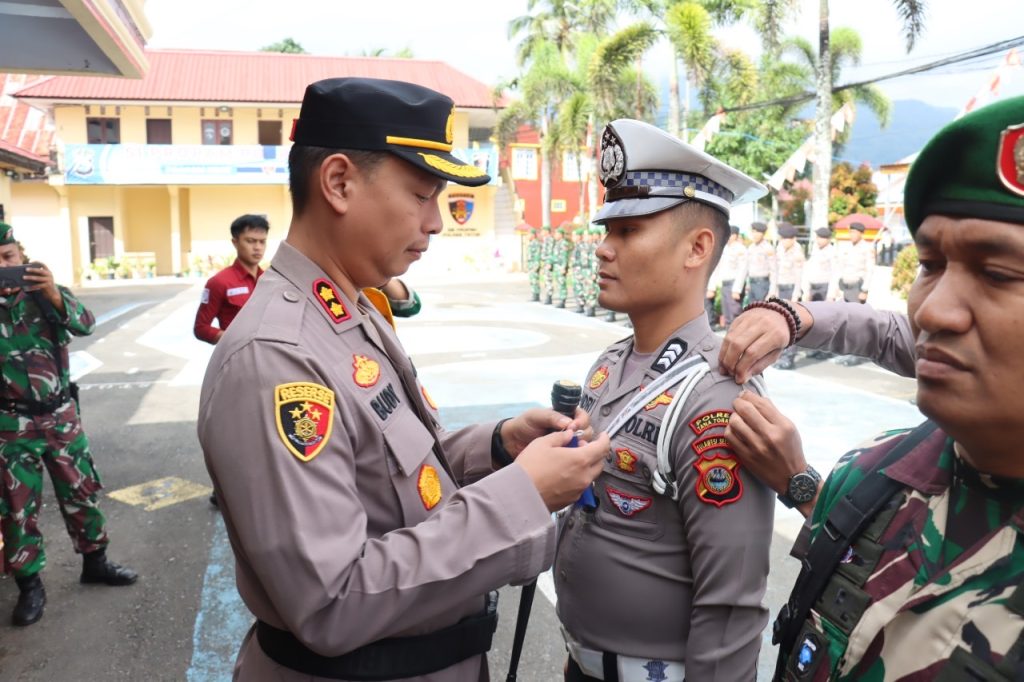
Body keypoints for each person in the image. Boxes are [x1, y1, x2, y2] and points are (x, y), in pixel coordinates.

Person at [196, 77, 611, 681]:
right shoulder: (276, 357)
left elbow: (389, 474)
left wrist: (496, 447)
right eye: (422, 194)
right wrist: (523, 495)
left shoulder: (350, 310)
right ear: (338, 183)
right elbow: (332, 599)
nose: (436, 221)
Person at [719, 95, 1024, 680]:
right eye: (930, 264)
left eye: (996, 273)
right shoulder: (873, 475)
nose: (934, 310)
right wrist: (793, 317)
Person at [554, 118, 775, 682]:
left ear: (697, 248)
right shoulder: (608, 365)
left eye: (628, 232)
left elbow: (730, 605)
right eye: (606, 230)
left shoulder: (716, 394)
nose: (603, 249)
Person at [0, 222, 137, 627]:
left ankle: (96, 562)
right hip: (10, 423)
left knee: (81, 491)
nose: (3, 268)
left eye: (8, 258)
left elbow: (86, 324)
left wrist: (54, 294)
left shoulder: (45, 297)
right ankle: (29, 586)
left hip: (60, 416)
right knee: (16, 506)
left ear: (22, 257)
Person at [193, 213, 269, 345]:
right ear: (235, 242)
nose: (258, 247)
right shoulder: (219, 282)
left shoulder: (269, 280)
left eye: (262, 242)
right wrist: (236, 343)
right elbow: (201, 328)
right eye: (250, 241)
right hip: (238, 360)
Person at [773, 222, 805, 370]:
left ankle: (789, 358)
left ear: (792, 239)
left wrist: (796, 296)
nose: (783, 241)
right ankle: (782, 354)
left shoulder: (797, 252)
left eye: (785, 239)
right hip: (781, 289)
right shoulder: (779, 249)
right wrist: (773, 290)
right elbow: (776, 271)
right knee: (781, 324)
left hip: (792, 290)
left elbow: (800, 277)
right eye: (782, 238)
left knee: (792, 325)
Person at [710, 224, 746, 327]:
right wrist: (713, 286)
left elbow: (742, 271)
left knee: (735, 313)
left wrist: (737, 289)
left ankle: (738, 339)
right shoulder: (724, 248)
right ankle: (728, 336)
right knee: (727, 314)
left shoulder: (740, 249)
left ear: (734, 235)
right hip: (725, 284)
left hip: (734, 285)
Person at [833, 221, 873, 303]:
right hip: (844, 286)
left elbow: (870, 270)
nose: (852, 235)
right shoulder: (846, 247)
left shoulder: (867, 248)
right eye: (850, 232)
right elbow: (840, 267)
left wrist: (864, 290)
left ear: (861, 233)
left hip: (857, 288)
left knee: (855, 313)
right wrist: (836, 287)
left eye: (854, 232)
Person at [743, 221, 775, 304]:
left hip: (762, 285)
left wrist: (772, 291)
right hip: (752, 283)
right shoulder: (751, 247)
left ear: (763, 234)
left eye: (757, 232)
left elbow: (774, 271)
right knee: (751, 311)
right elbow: (748, 268)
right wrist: (748, 284)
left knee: (761, 312)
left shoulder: (768, 248)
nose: (754, 235)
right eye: (753, 232)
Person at [527, 227, 543, 302]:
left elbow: (537, 255)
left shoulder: (536, 243)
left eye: (529, 234)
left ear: (533, 235)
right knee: (532, 280)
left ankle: (536, 295)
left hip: (534, 264)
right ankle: (534, 294)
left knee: (535, 280)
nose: (528, 236)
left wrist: (536, 265)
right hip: (531, 264)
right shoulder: (531, 243)